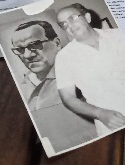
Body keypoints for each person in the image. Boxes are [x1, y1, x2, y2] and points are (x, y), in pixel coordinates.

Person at [55, 4, 125, 136]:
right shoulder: (64, 57)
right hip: (115, 123)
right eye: (64, 24)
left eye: (72, 18)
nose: (69, 26)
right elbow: (68, 98)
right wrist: (100, 114)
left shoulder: (120, 35)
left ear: (87, 17)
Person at [10, 20, 97, 151]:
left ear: (56, 43)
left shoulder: (83, 73)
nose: (27, 55)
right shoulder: (18, 87)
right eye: (20, 49)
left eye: (35, 44)